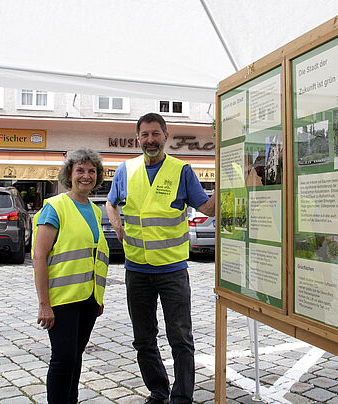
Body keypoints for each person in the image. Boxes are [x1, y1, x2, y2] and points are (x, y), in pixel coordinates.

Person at [106, 113, 214, 404]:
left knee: (180, 338)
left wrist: (230, 182)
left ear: (166, 136)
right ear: (137, 138)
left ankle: (182, 397)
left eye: (156, 134)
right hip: (136, 270)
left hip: (172, 271)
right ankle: (158, 391)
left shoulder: (181, 171)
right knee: (143, 339)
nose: (150, 140)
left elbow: (208, 208)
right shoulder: (125, 170)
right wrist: (116, 225)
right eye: (145, 135)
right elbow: (110, 202)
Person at [32, 148, 109, 404]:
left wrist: (98, 297)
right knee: (63, 359)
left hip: (88, 299)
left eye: (91, 171)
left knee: (75, 357)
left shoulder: (95, 211)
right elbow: (39, 257)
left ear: (97, 176)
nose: (86, 176)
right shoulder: (55, 207)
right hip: (61, 300)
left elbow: (94, 257)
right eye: (80, 170)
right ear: (70, 174)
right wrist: (44, 305)